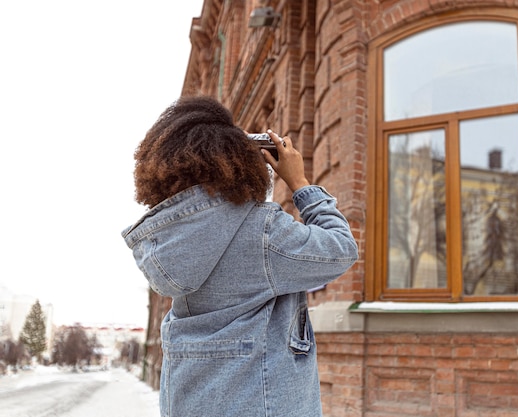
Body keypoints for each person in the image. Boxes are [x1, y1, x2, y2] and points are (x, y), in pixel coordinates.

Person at [121, 96, 358, 417]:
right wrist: (300, 182)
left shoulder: (166, 239)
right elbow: (341, 248)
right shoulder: (260, 230)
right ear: (235, 159)